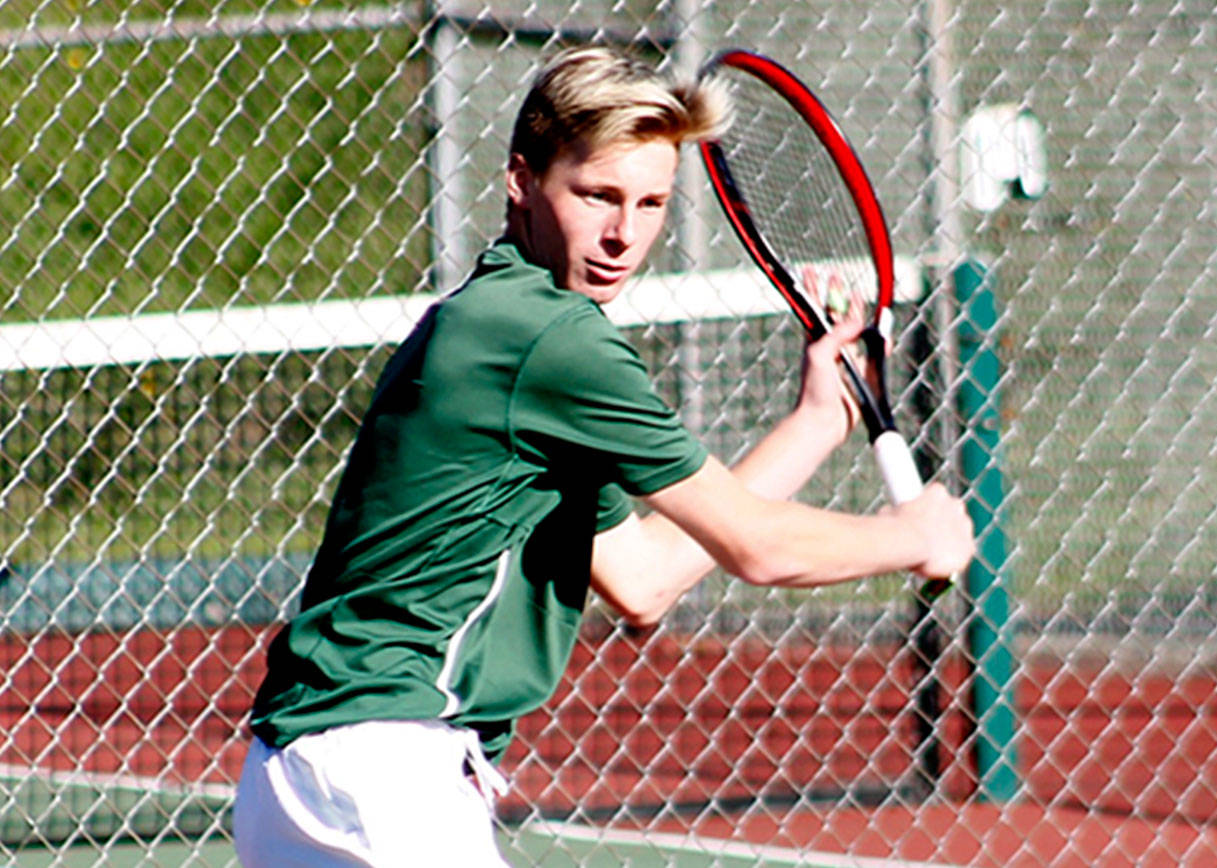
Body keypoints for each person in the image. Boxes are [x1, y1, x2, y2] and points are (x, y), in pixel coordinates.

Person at [232, 46, 974, 867]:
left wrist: (812, 425)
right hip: (379, 769)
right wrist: (915, 536)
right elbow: (756, 547)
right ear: (522, 180)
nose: (626, 234)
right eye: (598, 196)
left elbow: (645, 578)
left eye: (652, 202)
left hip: (310, 771)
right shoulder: (554, 339)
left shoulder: (502, 324)